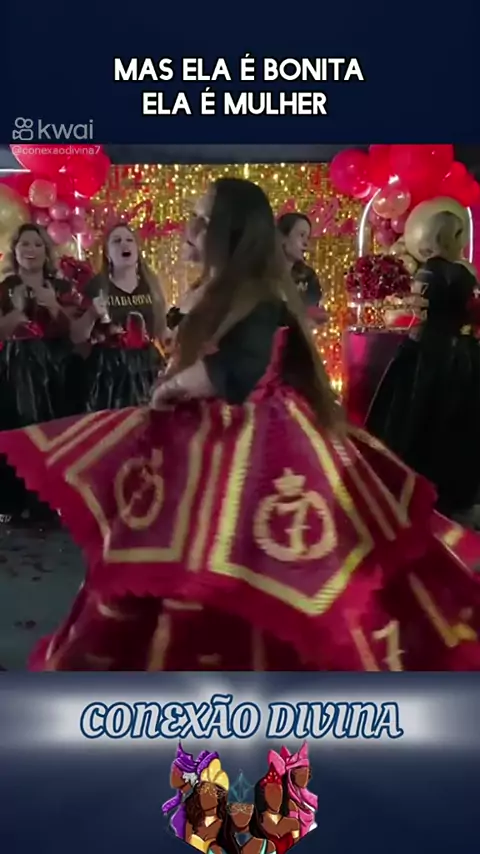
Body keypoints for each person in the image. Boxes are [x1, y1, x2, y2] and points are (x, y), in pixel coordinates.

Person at [2, 178, 480, 670]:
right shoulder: (219, 291)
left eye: (204, 220)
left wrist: (174, 386)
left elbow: (239, 371)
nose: (190, 229)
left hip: (251, 447)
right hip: (207, 441)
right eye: (194, 217)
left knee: (240, 566)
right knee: (171, 559)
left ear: (232, 232)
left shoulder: (255, 294)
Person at [366, 211, 480, 520]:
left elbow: (422, 315)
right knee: (452, 424)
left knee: (417, 421)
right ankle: (451, 496)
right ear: (452, 237)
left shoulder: (427, 271)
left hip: (429, 352)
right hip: (454, 356)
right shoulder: (458, 273)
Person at [0, 223, 77, 523]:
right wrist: (18, 312)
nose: (30, 250)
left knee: (51, 433)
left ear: (46, 251)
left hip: (54, 372)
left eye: (37, 244)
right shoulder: (5, 288)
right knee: (16, 431)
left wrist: (53, 305)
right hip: (13, 370)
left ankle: (50, 501)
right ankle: (14, 502)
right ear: (15, 251)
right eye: (24, 244)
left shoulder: (61, 288)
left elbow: (76, 335)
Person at [72, 223, 166, 410]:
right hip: (109, 374)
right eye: (116, 241)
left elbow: (160, 328)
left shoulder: (151, 283)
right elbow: (76, 336)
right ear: (107, 254)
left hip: (147, 368)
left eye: (129, 240)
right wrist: (92, 314)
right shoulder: (97, 285)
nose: (124, 244)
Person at [162, 745, 219, 839]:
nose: (171, 776)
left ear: (185, 776)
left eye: (174, 772)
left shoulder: (195, 802)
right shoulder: (183, 794)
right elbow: (177, 800)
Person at [277, 213, 325, 323]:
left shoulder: (308, 276)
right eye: (301, 235)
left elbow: (314, 312)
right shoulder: (261, 275)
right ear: (282, 237)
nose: (306, 243)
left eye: (308, 238)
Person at [268, 746, 317, 838]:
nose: (305, 776)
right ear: (291, 776)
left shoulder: (310, 799)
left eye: (307, 772)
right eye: (301, 773)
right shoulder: (290, 804)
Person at [249, 767, 299, 854]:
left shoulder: (293, 824)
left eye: (279, 790)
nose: (276, 795)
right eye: (271, 791)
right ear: (262, 795)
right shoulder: (256, 824)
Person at [184, 760, 229, 852]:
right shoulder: (191, 823)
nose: (204, 796)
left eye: (210, 792)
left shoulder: (226, 825)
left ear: (220, 797)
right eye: (202, 790)